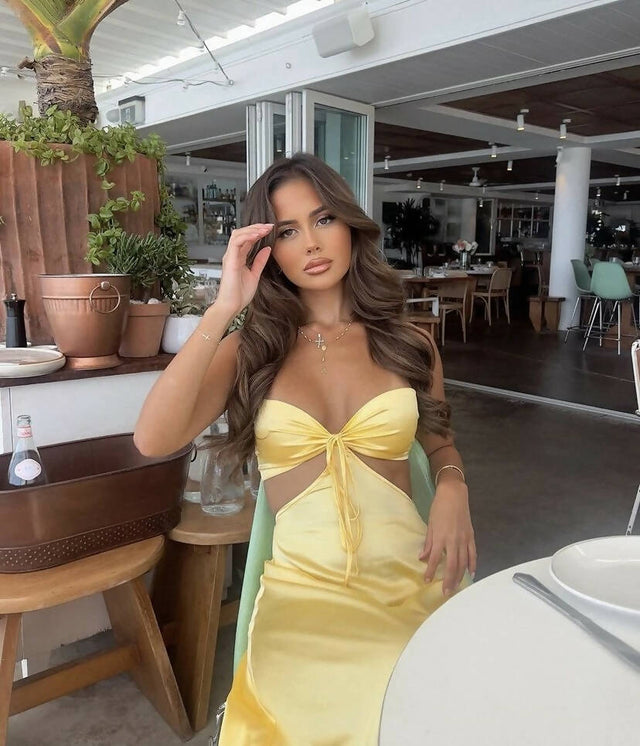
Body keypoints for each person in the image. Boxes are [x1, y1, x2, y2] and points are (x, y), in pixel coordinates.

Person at [134, 153, 476, 745]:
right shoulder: (251, 350)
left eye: (323, 219)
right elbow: (153, 438)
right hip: (300, 598)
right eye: (288, 231)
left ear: (349, 224)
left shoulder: (409, 343)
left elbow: (441, 444)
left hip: (409, 578)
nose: (312, 244)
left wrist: (453, 486)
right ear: (267, 250)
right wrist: (224, 308)